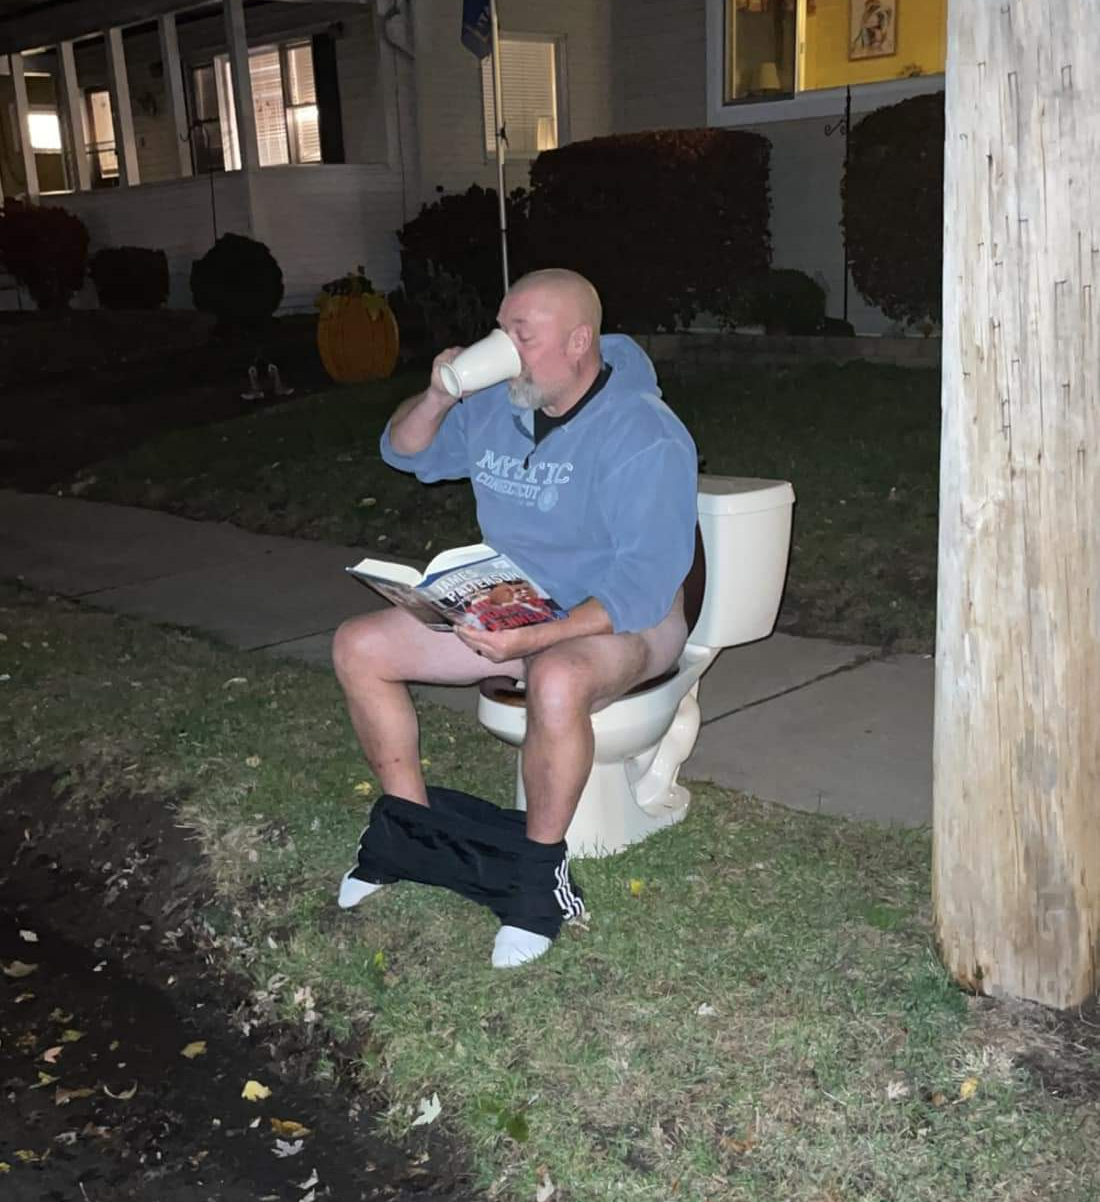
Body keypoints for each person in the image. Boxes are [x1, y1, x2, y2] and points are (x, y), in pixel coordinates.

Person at [332, 268, 698, 966]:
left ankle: (538, 883)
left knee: (556, 679)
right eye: (501, 328)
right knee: (360, 646)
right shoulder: (499, 401)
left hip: (629, 617)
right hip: (517, 602)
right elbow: (401, 451)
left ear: (579, 342)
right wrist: (440, 396)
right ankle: (414, 836)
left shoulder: (644, 434)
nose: (502, 345)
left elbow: (644, 584)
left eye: (519, 335)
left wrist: (536, 639)